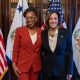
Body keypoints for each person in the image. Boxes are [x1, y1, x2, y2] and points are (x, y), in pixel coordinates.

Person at [41, 11, 73, 80]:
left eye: (55, 18)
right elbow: (40, 52)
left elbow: (70, 53)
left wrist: (70, 71)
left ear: (58, 20)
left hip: (61, 71)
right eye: (50, 19)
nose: (53, 21)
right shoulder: (43, 33)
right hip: (47, 71)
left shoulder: (66, 33)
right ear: (47, 20)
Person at [12, 7, 42, 80]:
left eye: (31, 17)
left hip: (35, 66)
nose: (29, 20)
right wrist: (14, 64)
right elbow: (15, 49)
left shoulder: (41, 32)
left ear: (36, 18)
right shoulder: (19, 31)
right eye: (27, 18)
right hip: (22, 66)